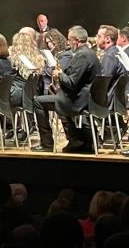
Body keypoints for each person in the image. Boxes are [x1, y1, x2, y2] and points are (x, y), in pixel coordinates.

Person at [32, 25, 101, 153]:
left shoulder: (82, 55)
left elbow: (72, 82)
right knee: (54, 98)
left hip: (78, 100)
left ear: (76, 40)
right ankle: (77, 140)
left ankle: (47, 143)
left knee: (38, 101)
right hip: (86, 98)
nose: (68, 43)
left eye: (69, 40)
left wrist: (59, 74)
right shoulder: (90, 53)